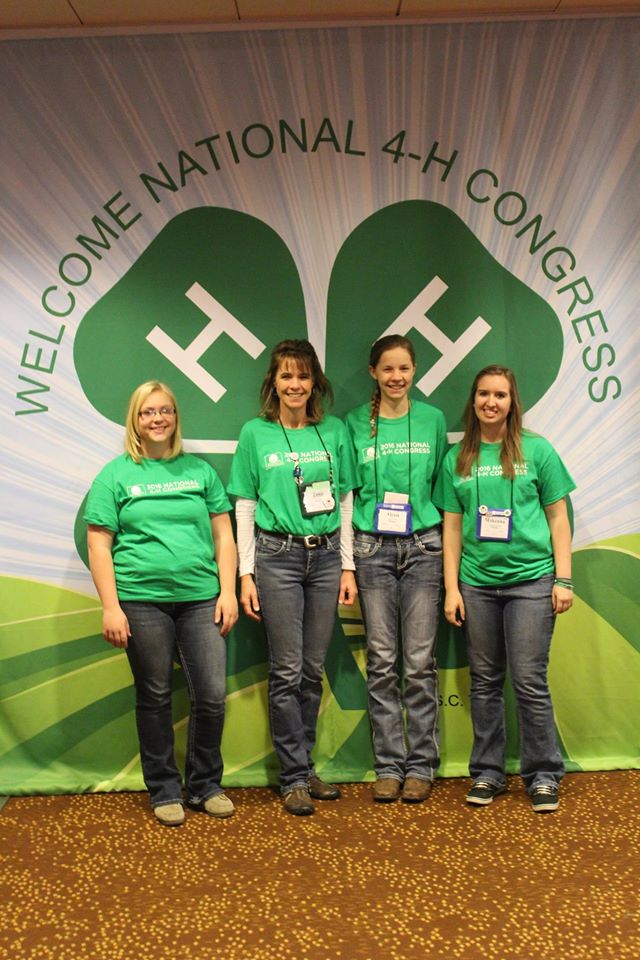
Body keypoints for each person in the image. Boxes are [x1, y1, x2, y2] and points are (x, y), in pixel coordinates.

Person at [85, 381, 238, 827]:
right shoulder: (116, 474)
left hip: (200, 598)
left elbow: (223, 535)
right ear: (135, 419)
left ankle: (206, 784)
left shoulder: (200, 472)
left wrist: (227, 591)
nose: (157, 419)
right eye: (148, 412)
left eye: (165, 411)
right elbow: (99, 545)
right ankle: (165, 789)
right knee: (153, 696)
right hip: (139, 601)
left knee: (211, 695)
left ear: (175, 417)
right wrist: (111, 607)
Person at [436, 364, 575, 813]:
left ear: (513, 402)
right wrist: (452, 588)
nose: (490, 402)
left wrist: (563, 578)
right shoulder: (459, 458)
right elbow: (451, 529)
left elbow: (558, 516)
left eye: (499, 395)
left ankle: (543, 774)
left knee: (530, 681)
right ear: (473, 401)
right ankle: (488, 773)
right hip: (476, 586)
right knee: (484, 682)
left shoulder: (537, 451)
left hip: (532, 583)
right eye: (483, 394)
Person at [228, 339, 357, 816]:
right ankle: (293, 777)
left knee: (311, 670)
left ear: (315, 382)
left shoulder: (335, 431)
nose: (295, 384)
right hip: (276, 557)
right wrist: (245, 574)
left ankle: (303, 766)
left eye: (303, 376)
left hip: (324, 559)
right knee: (286, 671)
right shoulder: (255, 434)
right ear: (273, 383)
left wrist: (348, 565)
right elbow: (243, 505)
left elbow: (344, 502)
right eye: (286, 376)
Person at [345, 335, 447, 804]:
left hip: (424, 547)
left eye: (404, 368)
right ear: (373, 373)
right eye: (387, 369)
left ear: (414, 370)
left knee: (420, 662)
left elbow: (442, 492)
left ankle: (421, 765)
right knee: (383, 662)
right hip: (372, 550)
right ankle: (388, 765)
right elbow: (348, 497)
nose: (396, 377)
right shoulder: (353, 425)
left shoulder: (432, 420)